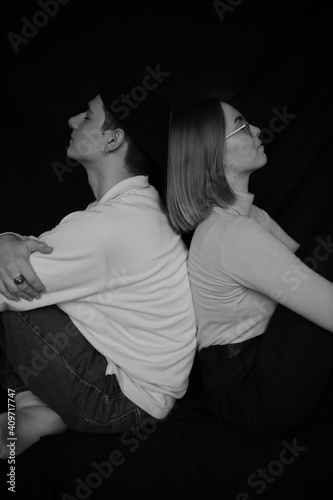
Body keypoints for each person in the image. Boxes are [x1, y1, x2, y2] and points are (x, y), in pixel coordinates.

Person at [0, 77, 197, 457]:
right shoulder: (138, 205)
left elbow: (9, 280)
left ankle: (30, 406)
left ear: (112, 140)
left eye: (88, 116)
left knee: (15, 296)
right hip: (139, 390)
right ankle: (35, 410)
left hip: (117, 401)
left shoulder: (107, 227)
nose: (73, 121)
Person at [166, 97, 333, 434]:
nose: (256, 129)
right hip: (247, 390)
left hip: (263, 361)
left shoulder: (249, 218)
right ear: (213, 153)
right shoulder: (230, 233)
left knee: (321, 251)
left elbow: (314, 270)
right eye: (241, 125)